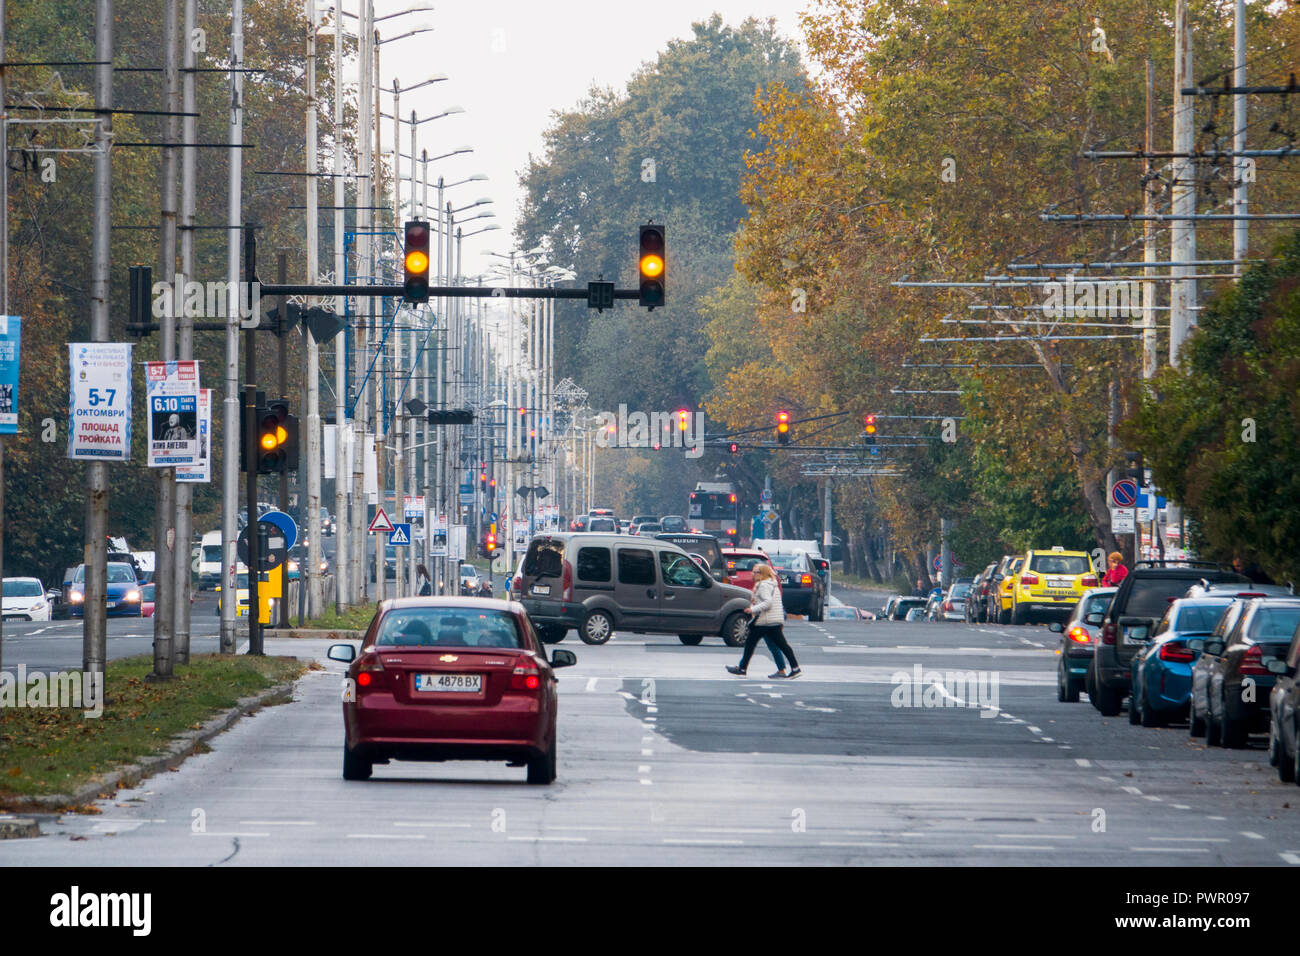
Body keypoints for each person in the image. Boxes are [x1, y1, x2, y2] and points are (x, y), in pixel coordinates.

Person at [727, 563, 801, 679]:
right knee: (782, 645)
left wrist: (752, 609)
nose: (752, 574)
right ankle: (795, 668)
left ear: (761, 574)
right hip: (772, 620)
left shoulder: (764, 585)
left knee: (751, 644)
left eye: (755, 572)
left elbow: (768, 603)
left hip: (765, 621)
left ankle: (742, 669)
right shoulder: (772, 584)